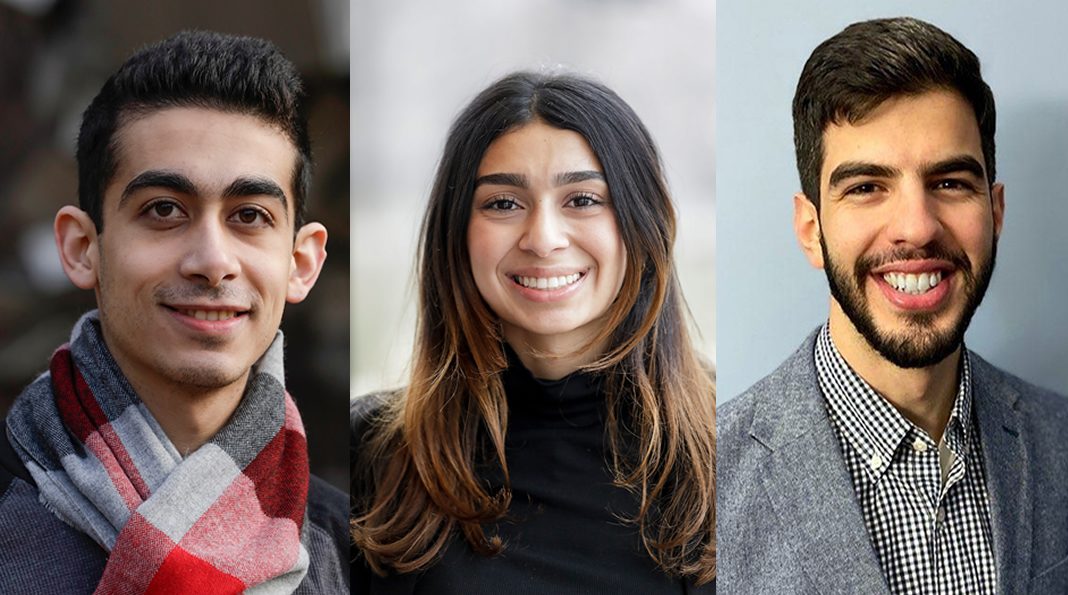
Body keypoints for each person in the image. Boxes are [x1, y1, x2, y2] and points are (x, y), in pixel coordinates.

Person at [716, 16, 1068, 594]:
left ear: (995, 214)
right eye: (866, 187)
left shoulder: (1059, 439)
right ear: (811, 229)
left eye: (949, 183)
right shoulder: (711, 480)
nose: (915, 228)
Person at [0, 31, 348, 593]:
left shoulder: (358, 550)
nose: (212, 262)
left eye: (251, 216)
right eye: (164, 209)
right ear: (82, 248)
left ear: (300, 262)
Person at [351, 72, 715, 593]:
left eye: (583, 200)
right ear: (456, 235)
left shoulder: (734, 452)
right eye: (503, 203)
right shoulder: (372, 454)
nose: (543, 239)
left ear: (644, 222)